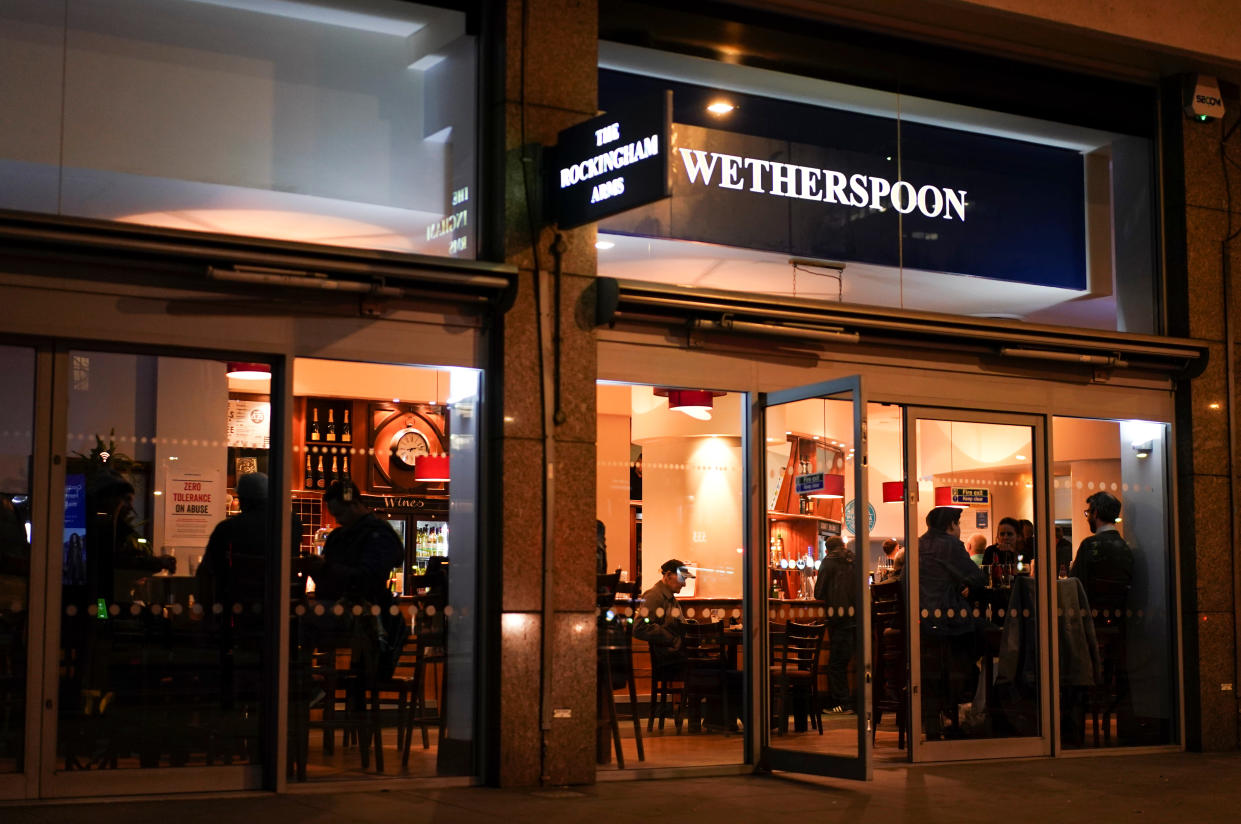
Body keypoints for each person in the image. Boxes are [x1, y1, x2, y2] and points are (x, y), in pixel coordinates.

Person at [918, 506, 988, 738]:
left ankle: (937, 715)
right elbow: (977, 577)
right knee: (986, 636)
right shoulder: (950, 545)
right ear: (951, 525)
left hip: (921, 623)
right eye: (957, 524)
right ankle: (966, 707)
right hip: (947, 623)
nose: (958, 529)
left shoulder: (917, 544)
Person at [309, 480, 405, 607]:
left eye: (340, 514)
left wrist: (324, 568)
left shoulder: (378, 534)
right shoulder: (337, 536)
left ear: (354, 504)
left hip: (366, 616)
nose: (338, 520)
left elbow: (368, 580)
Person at [1070, 491, 1134, 607]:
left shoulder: (1088, 545)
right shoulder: (1126, 547)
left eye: (1088, 512)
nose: (1087, 517)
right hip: (1120, 619)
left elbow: (1074, 586)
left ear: (1095, 513)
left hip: (1091, 618)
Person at [814, 536, 855, 713]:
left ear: (827, 549)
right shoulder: (853, 560)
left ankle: (842, 704)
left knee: (836, 664)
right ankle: (855, 701)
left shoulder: (828, 562)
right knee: (852, 662)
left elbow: (818, 593)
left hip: (839, 619)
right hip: (857, 618)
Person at [633, 558, 694, 674]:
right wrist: (672, 639)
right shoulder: (654, 596)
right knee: (718, 667)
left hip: (675, 656)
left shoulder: (668, 596)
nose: (685, 584)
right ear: (669, 575)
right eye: (682, 578)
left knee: (718, 663)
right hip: (669, 660)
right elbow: (639, 627)